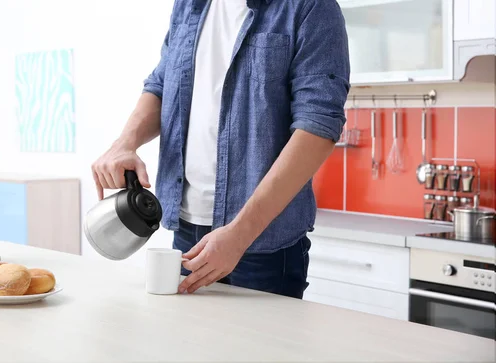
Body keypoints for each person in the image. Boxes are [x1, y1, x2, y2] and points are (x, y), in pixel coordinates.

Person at [92, 0, 350, 299]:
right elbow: (162, 85)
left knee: (260, 347)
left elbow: (318, 126)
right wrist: (124, 143)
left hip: (261, 242)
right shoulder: (188, 5)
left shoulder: (310, 7)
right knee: (189, 343)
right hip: (187, 231)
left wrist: (240, 234)